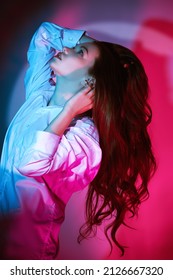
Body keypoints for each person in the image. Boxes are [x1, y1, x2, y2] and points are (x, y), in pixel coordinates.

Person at [0, 22, 156, 259]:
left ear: (90, 82)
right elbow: (43, 35)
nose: (68, 48)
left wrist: (70, 111)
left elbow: (29, 164)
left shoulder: (84, 138)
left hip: (28, 253)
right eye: (75, 46)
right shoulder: (39, 94)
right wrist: (85, 41)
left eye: (79, 52)